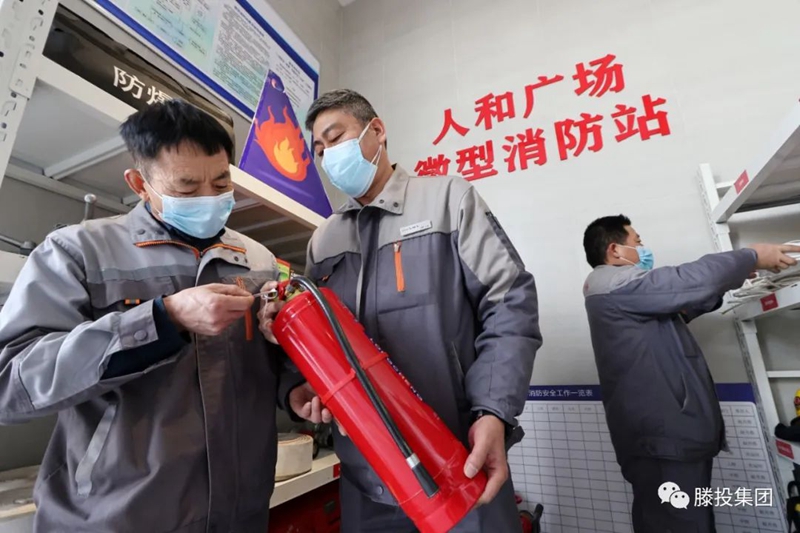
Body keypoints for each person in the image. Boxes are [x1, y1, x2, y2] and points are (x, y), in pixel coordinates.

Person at [0, 100, 295, 532]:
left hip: (240, 511)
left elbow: (266, 363)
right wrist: (163, 319)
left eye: (221, 182)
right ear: (140, 183)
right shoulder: (77, 252)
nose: (209, 198)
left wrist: (293, 387)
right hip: (119, 517)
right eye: (187, 188)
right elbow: (11, 384)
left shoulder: (259, 260)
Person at [259, 89, 542, 532]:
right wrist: (297, 385)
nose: (329, 155)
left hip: (457, 463)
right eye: (320, 149)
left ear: (377, 131)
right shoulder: (324, 240)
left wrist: (493, 410)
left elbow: (510, 304)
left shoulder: (448, 201)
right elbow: (317, 337)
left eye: (336, 137)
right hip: (366, 480)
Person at [582, 214, 800, 533]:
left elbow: (681, 306)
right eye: (637, 242)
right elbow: (685, 281)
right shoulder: (615, 283)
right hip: (663, 437)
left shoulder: (621, 294)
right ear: (614, 250)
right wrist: (751, 255)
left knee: (665, 519)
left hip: (660, 437)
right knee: (680, 523)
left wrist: (731, 278)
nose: (644, 248)